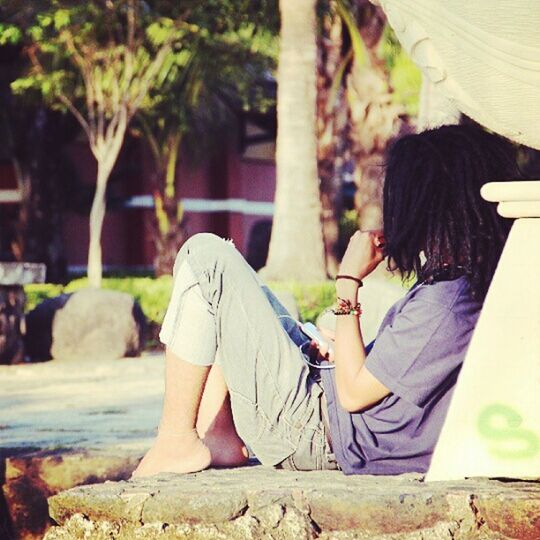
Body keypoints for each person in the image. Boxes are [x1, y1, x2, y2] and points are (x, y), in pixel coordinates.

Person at [132, 124, 519, 478]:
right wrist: (342, 350)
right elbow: (387, 383)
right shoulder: (466, 289)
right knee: (248, 298)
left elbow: (352, 395)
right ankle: (219, 434)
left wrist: (348, 282)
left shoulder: (446, 303)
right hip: (324, 409)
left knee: (206, 258)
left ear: (428, 208)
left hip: (314, 429)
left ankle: (176, 438)